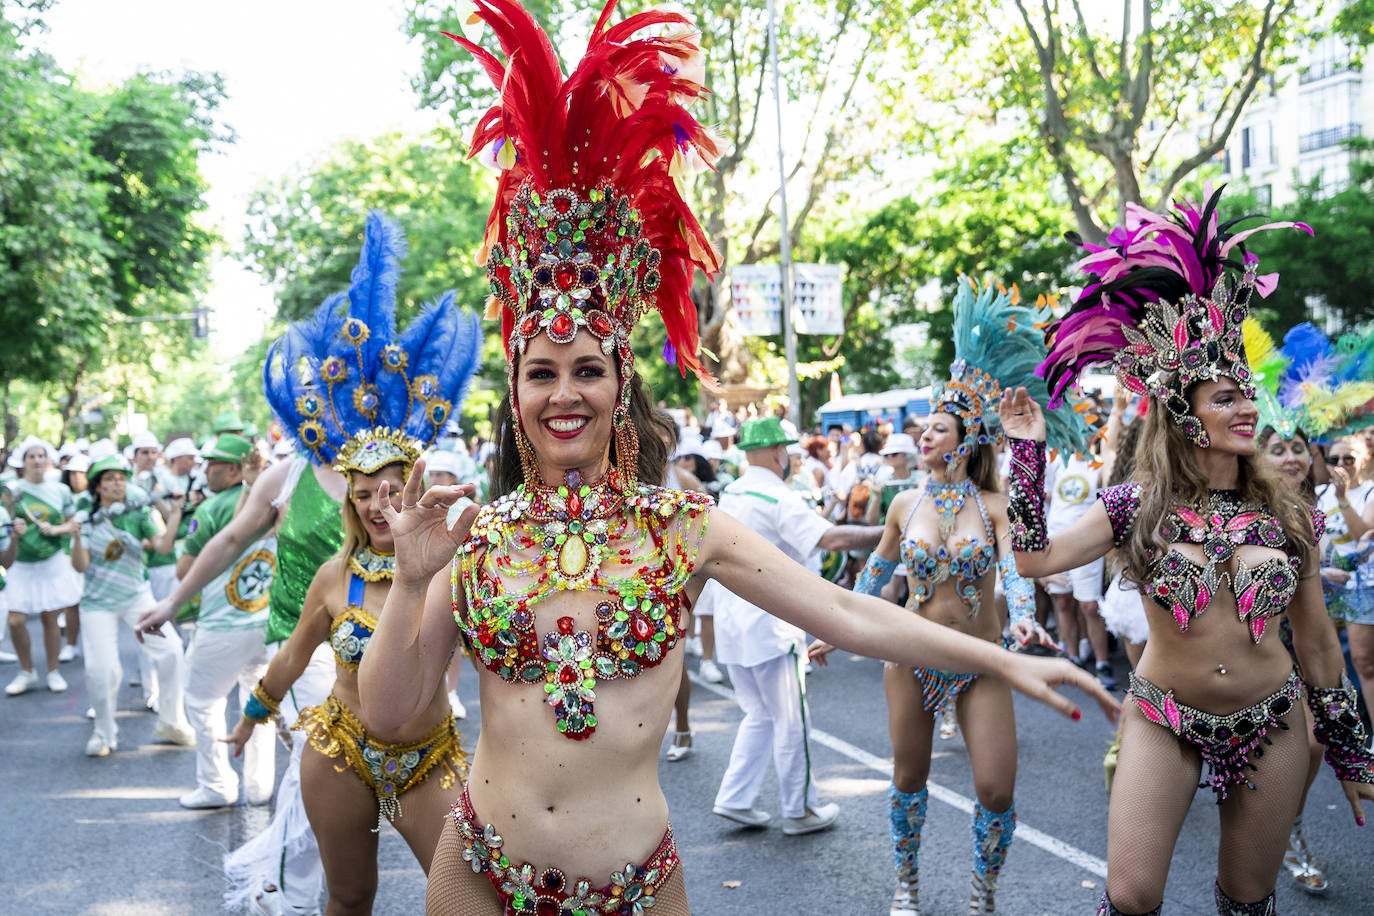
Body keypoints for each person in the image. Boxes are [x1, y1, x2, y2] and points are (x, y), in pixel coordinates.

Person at [357, 6, 1114, 914]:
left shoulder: (681, 528)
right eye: (542, 372)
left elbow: (843, 608)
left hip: (638, 885)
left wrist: (996, 662)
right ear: (514, 393)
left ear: (618, 386)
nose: (565, 392)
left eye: (587, 370)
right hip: (478, 875)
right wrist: (407, 586)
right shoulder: (472, 542)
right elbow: (392, 717)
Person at [1015, 189, 1374, 915]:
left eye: (1247, 393)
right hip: (1163, 713)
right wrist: (1026, 459)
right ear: (1184, 417)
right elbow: (1034, 561)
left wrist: (1348, 750)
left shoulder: (1287, 513)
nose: (1247, 406)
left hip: (1273, 718)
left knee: (1247, 898)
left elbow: (1319, 648)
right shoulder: (1134, 507)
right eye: (1224, 398)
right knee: (1132, 893)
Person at [814, 277, 1086, 914]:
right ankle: (906, 882)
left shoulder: (996, 505)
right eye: (924, 426)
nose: (924, 435)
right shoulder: (903, 503)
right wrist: (834, 624)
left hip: (980, 656)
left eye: (937, 427)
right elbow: (876, 578)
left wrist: (1022, 621)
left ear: (966, 437)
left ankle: (981, 890)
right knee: (909, 777)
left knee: (994, 788)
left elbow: (1018, 571)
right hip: (909, 652)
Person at [704, 416, 883, 835]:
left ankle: (736, 798)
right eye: (787, 451)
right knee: (790, 720)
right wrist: (888, 531)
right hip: (769, 625)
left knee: (759, 716)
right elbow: (831, 540)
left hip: (735, 622)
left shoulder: (732, 493)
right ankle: (800, 809)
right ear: (777, 452)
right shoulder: (775, 497)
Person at [177, 434, 278, 808]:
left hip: (221, 625)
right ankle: (259, 786)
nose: (205, 470)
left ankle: (216, 784)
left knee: (204, 703)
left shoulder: (211, 509)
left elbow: (184, 569)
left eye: (212, 464)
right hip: (264, 622)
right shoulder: (276, 503)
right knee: (260, 700)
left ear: (234, 468)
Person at [70, 455, 192, 756]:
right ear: (98, 486)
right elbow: (81, 566)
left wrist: (175, 513)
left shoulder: (138, 509)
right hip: (97, 602)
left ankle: (172, 722)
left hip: (137, 597)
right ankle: (103, 732)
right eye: (110, 479)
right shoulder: (84, 514)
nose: (118, 483)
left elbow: (163, 545)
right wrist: (75, 535)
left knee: (172, 652)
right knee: (102, 671)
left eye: (121, 478)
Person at [4, 436, 82, 696]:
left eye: (40, 456)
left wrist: (55, 528)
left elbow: (73, 525)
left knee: (50, 617)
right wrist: (14, 530)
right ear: (23, 462)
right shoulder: (10, 490)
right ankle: (26, 671)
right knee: (15, 620)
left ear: (47, 460)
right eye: (31, 456)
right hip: (21, 563)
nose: (36, 461)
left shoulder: (61, 490)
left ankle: (52, 671)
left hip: (52, 561)